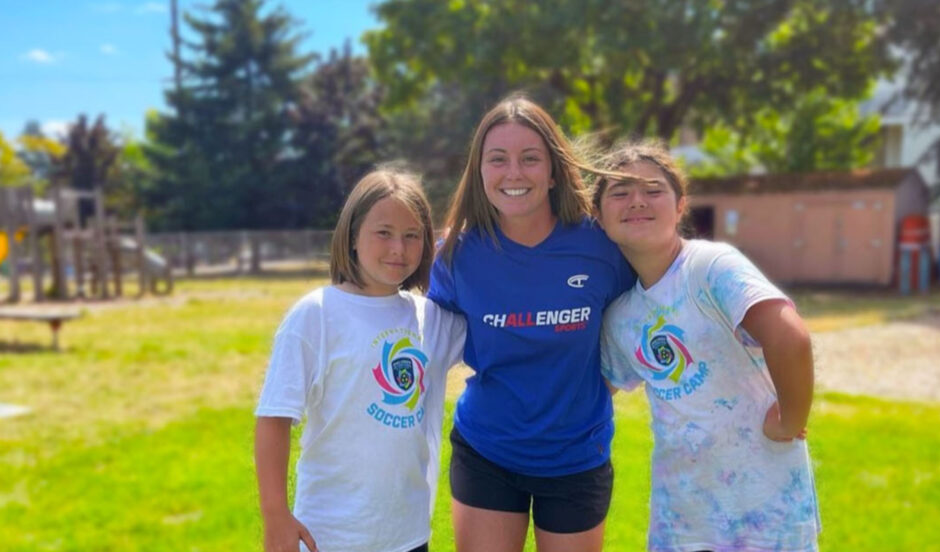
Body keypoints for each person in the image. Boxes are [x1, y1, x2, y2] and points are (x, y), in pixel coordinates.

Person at [428, 96, 635, 552]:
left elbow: (649, 314)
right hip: (487, 451)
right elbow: (404, 326)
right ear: (479, 172)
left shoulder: (601, 248)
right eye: (497, 159)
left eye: (530, 159)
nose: (514, 173)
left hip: (576, 456)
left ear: (554, 170)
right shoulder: (456, 257)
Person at [595, 142, 821, 552]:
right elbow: (596, 391)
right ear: (599, 215)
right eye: (620, 192)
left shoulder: (710, 266)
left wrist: (790, 419)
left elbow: (789, 336)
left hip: (766, 512)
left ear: (681, 206)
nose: (637, 202)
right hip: (681, 518)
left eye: (653, 190)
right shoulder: (620, 315)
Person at [254, 169, 466, 552]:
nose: (398, 249)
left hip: (408, 536)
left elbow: (499, 326)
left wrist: (469, 244)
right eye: (383, 232)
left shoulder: (432, 318)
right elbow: (273, 418)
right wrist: (275, 516)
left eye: (412, 235)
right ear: (352, 236)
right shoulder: (315, 314)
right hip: (329, 537)